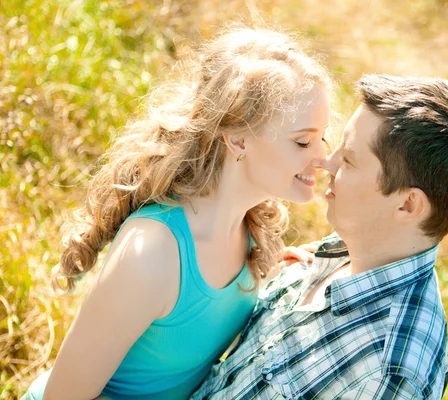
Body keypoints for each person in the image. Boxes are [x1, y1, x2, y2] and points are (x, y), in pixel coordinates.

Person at [23, 27, 332, 400]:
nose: (323, 158)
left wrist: (272, 276)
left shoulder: (248, 230)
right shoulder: (151, 254)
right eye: (302, 141)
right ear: (237, 140)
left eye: (323, 137)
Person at [190, 75, 448, 400]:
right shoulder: (344, 251)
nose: (326, 162)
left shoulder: (391, 375)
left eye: (350, 160)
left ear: (407, 204)